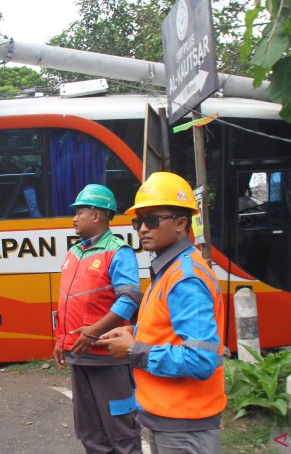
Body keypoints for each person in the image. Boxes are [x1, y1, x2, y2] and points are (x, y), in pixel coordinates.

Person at [98, 172, 225, 454]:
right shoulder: (169, 270)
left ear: (181, 223)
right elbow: (167, 331)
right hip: (169, 418)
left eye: (152, 220)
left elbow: (200, 359)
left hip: (185, 423)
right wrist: (132, 333)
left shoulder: (185, 279)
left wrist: (133, 351)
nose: (142, 228)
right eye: (138, 221)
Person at [53, 183, 143, 454]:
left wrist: (93, 332)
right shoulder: (74, 252)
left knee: (121, 430)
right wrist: (61, 340)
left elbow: (129, 301)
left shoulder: (119, 252)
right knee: (89, 431)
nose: (74, 218)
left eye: (80, 212)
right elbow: (66, 303)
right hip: (78, 354)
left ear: (98, 215)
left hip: (107, 357)